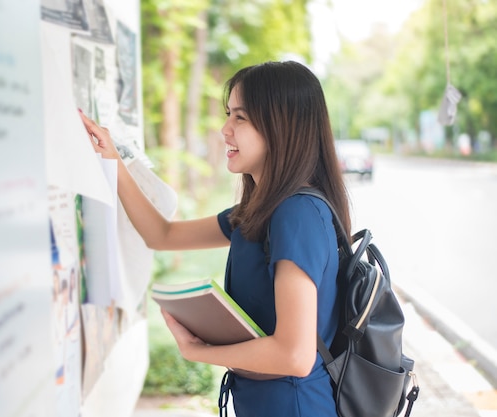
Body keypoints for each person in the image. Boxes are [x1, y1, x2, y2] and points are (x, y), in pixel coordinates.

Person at [80, 60, 351, 417]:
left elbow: (295, 356)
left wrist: (198, 351)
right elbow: (161, 234)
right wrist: (112, 160)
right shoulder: (261, 208)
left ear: (281, 125)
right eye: (228, 114)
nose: (225, 129)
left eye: (240, 117)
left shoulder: (296, 214)